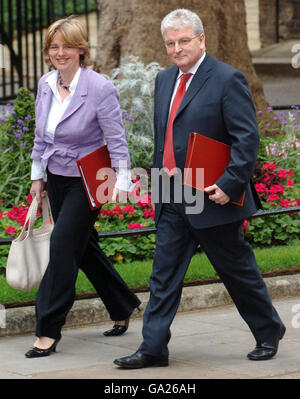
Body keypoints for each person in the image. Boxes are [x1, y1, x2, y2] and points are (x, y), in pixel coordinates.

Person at [114, 8, 286, 369]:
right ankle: (153, 348)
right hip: (172, 195)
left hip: (212, 195)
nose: (177, 49)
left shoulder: (227, 79)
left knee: (237, 272)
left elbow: (246, 138)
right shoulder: (164, 80)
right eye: (171, 43)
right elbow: (166, 138)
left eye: (184, 41)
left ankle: (268, 332)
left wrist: (229, 183)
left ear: (201, 39)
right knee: (162, 276)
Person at [25, 16, 141, 358]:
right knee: (83, 246)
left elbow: (116, 139)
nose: (60, 53)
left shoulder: (99, 88)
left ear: (81, 50)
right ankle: (121, 305)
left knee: (62, 247)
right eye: (54, 47)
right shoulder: (46, 84)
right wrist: (37, 175)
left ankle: (47, 330)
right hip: (56, 176)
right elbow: (40, 136)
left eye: (68, 46)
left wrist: (121, 179)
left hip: (89, 180)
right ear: (48, 52)